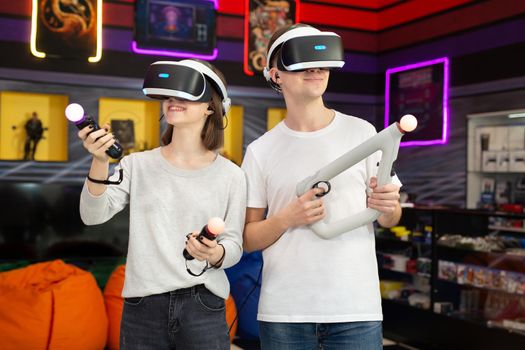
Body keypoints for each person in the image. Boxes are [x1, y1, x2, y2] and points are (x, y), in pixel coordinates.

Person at [241, 24, 402, 349]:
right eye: (301, 60)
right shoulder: (261, 150)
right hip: (285, 313)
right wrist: (288, 217)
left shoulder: (362, 133)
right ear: (275, 74)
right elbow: (246, 239)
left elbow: (389, 218)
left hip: (355, 308)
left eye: (321, 60)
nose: (315, 69)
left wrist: (388, 207)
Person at [78, 59, 246, 349]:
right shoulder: (136, 165)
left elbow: (234, 249)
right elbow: (92, 216)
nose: (172, 100)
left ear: (211, 106)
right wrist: (99, 161)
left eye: (183, 93)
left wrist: (214, 252)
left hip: (203, 307)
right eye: (168, 94)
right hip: (142, 307)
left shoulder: (232, 176)